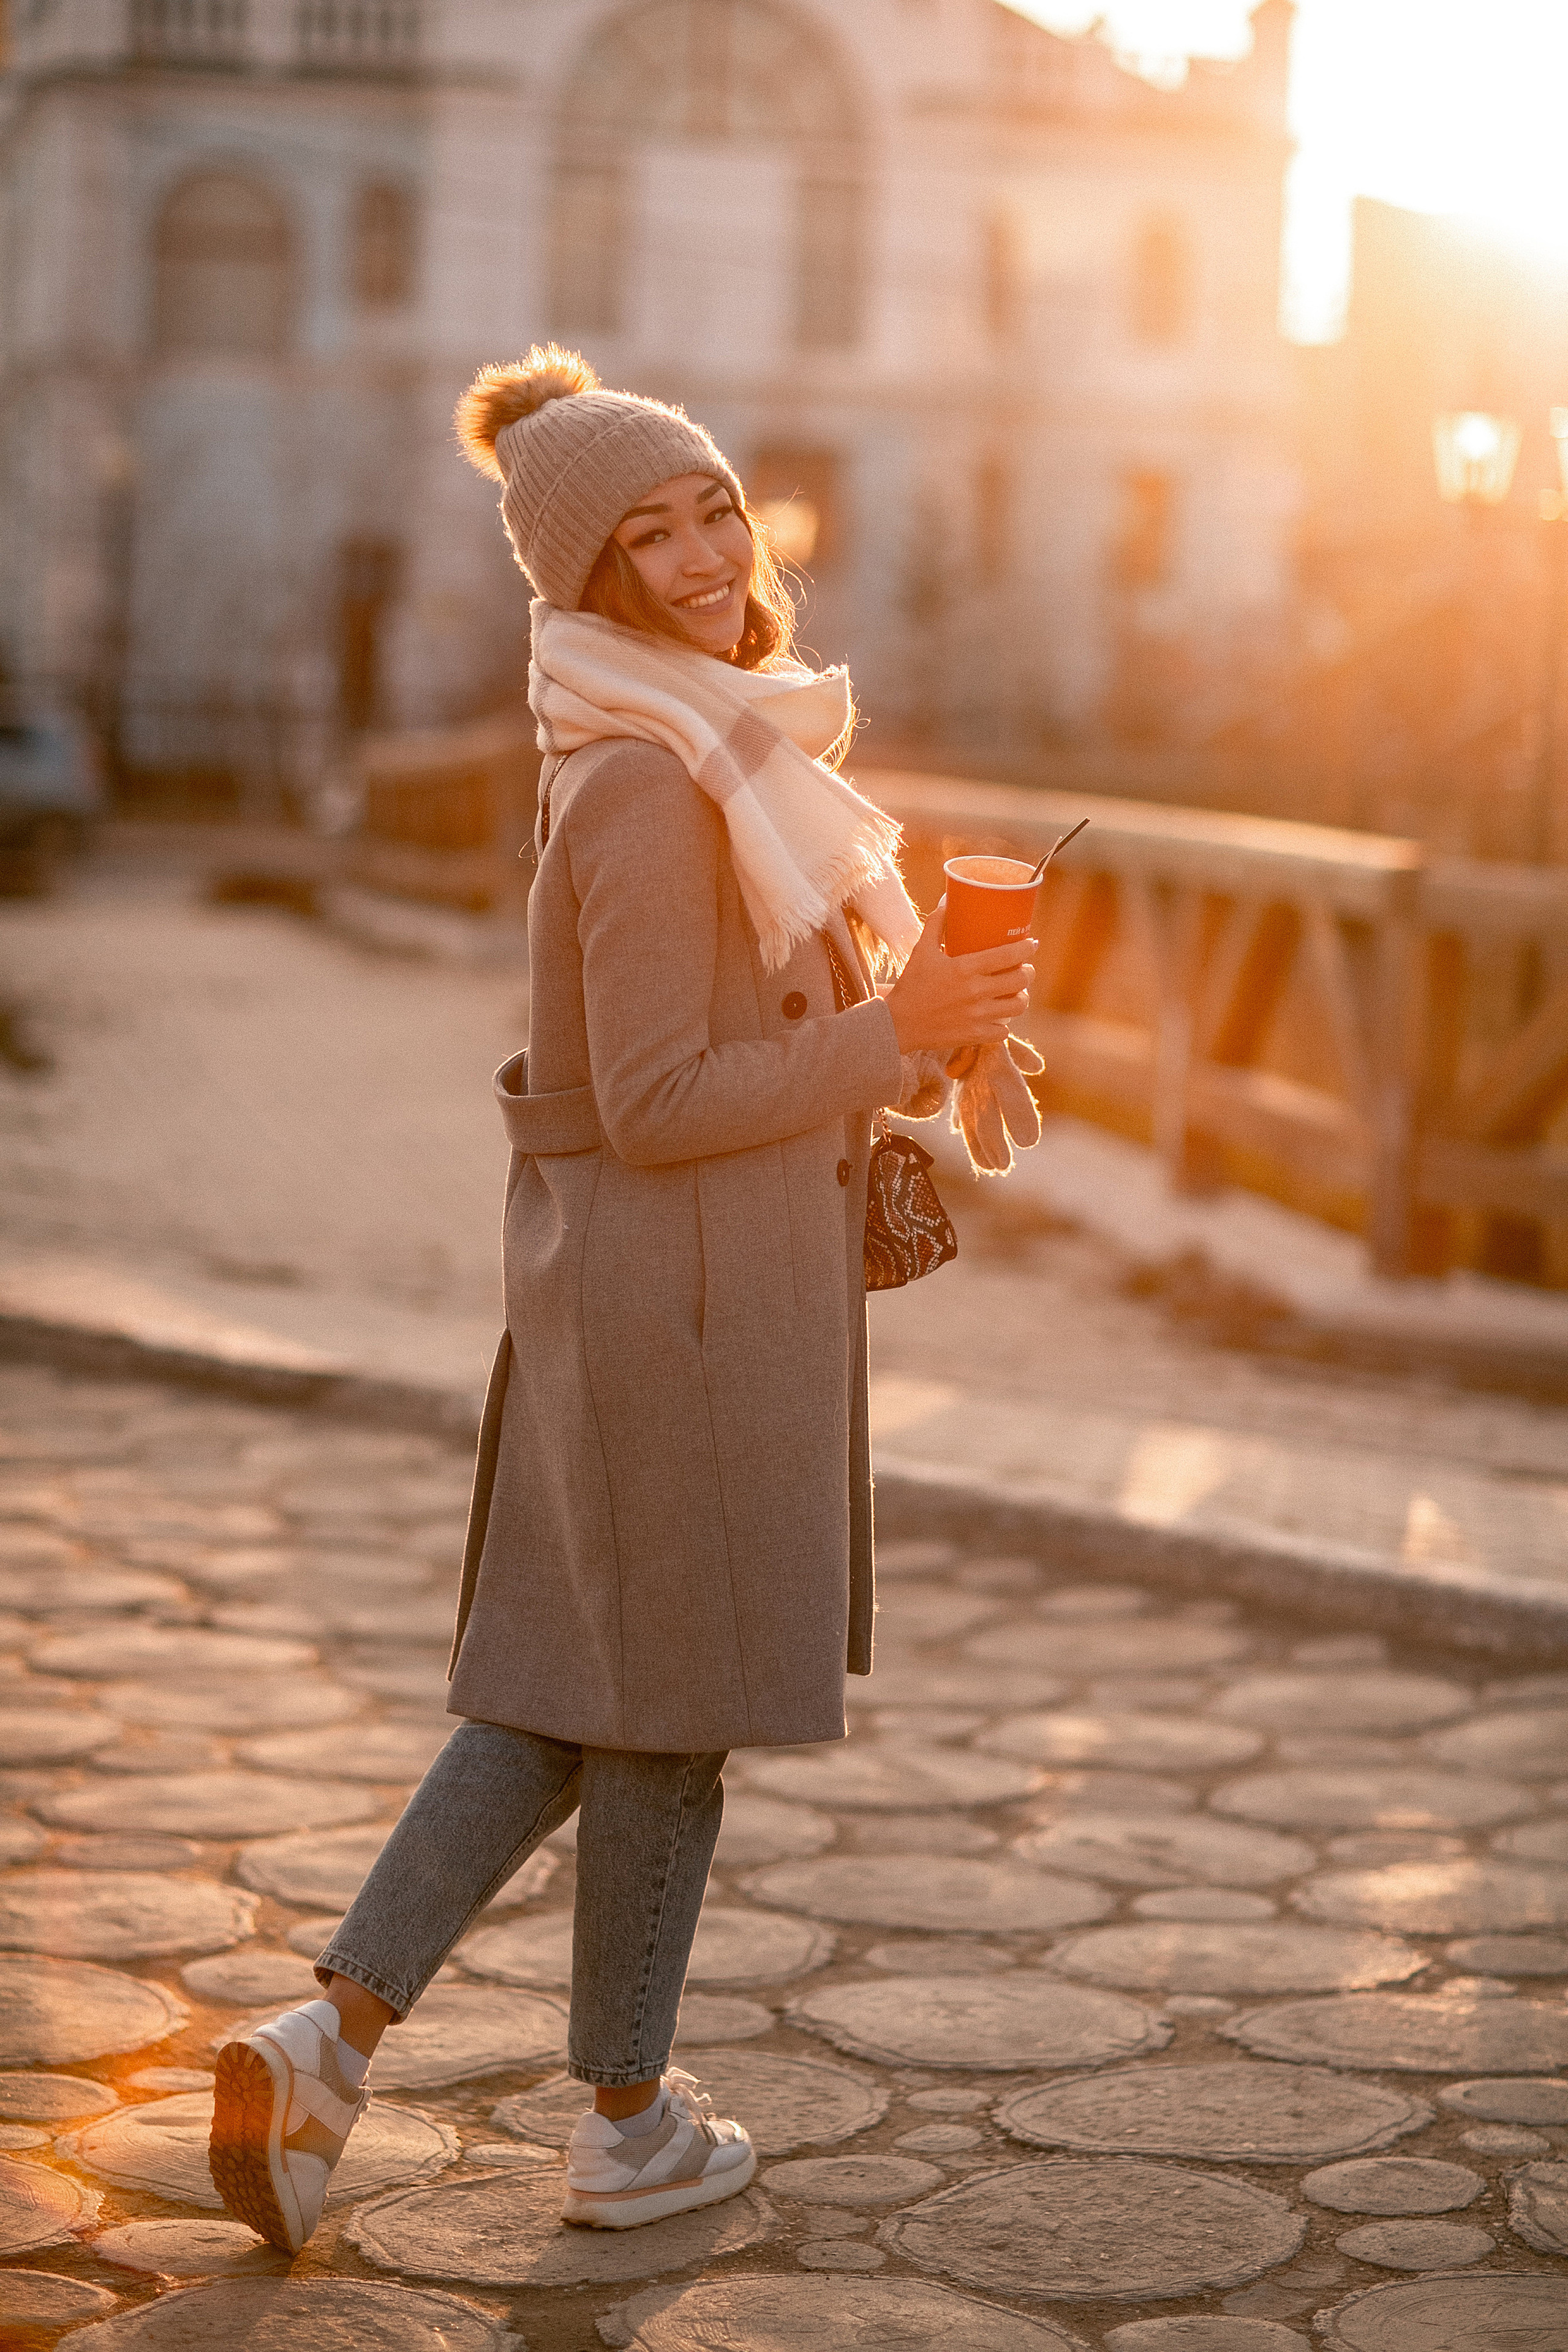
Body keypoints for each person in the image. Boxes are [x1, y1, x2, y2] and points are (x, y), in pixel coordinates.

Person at [209, 348, 1039, 2253]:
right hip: (685, 1303)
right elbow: (662, 1104)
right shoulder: (658, 791)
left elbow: (753, 1048)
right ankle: (623, 2124)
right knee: (662, 1720)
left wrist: (920, 1043)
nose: (692, 553)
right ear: (574, 582)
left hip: (661, 1294)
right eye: (639, 535)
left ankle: (325, 2040)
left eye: (712, 508)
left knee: (573, 1702)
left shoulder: (723, 756)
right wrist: (886, 1033)